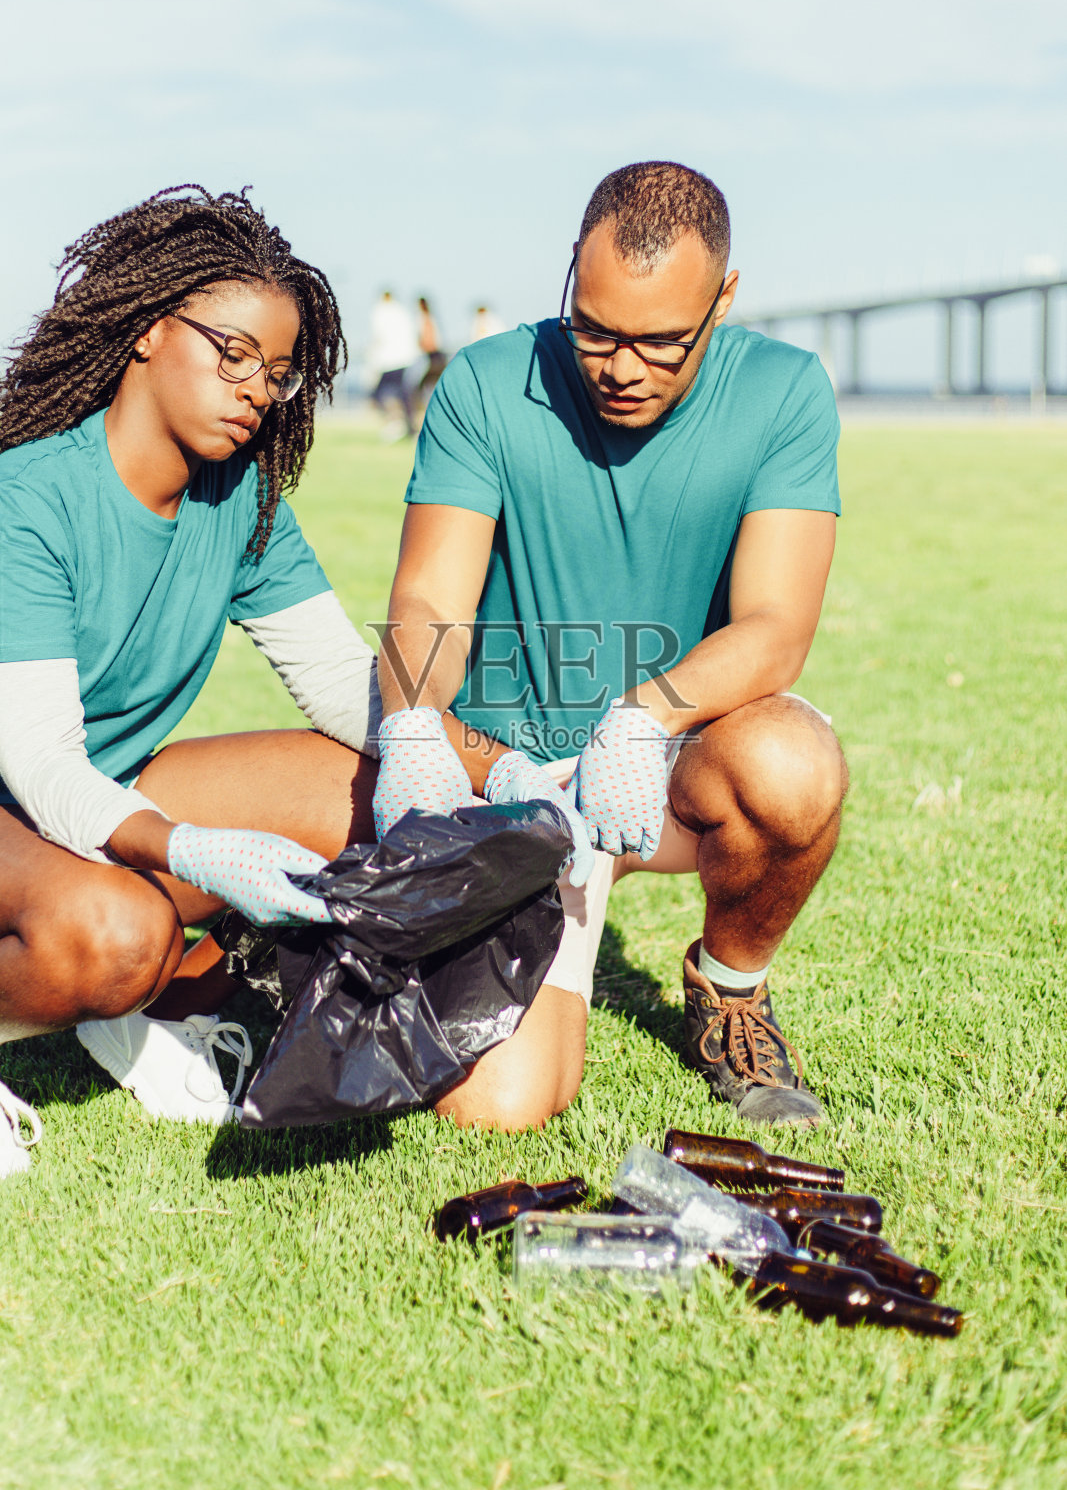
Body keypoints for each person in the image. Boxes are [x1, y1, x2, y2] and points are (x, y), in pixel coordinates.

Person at [0, 186, 536, 1177]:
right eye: (231, 352)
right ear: (148, 331)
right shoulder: (28, 497)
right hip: (23, 800)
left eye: (278, 374)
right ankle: (130, 973)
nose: (254, 389)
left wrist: (502, 768)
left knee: (372, 788)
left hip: (78, 802)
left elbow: (343, 685)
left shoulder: (241, 495)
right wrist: (195, 848)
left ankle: (162, 1002)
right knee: (117, 934)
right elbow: (36, 763)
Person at [374, 161, 848, 1133]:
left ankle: (729, 991)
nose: (620, 367)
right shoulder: (486, 381)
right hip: (512, 784)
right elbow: (428, 594)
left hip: (659, 776)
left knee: (792, 766)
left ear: (722, 301)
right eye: (594, 330)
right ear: (568, 278)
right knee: (496, 1105)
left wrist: (639, 718)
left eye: (661, 342)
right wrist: (417, 724)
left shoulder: (783, 389)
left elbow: (775, 627)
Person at [367, 289, 417, 438]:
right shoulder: (402, 311)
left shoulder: (380, 311)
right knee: (403, 394)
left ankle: (395, 422)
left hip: (388, 360)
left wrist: (372, 359)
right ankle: (408, 426)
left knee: (378, 395)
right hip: (405, 359)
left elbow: (378, 336)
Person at [414, 295, 448, 417]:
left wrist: (421, 345)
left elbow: (429, 340)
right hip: (435, 356)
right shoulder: (431, 317)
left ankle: (424, 413)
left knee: (420, 388)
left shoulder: (425, 318)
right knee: (430, 388)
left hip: (433, 357)